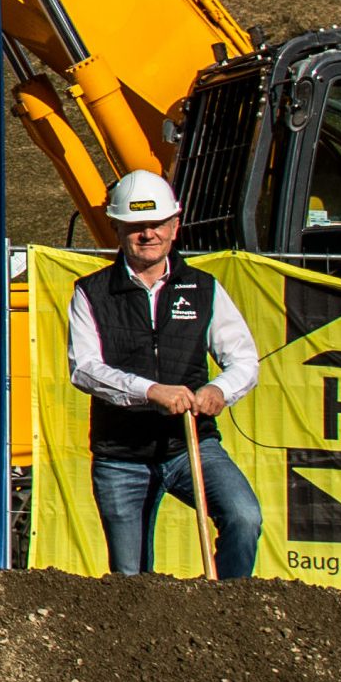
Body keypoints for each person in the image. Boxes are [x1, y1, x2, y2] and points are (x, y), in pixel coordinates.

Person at [68, 170, 263, 579]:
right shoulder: (91, 291)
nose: (148, 235)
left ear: (175, 226)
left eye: (157, 224)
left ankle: (234, 610)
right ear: (118, 228)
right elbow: (84, 369)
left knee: (244, 517)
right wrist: (149, 391)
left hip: (190, 445)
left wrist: (219, 389)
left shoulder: (203, 287)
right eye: (137, 226)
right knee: (130, 576)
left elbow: (244, 359)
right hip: (121, 457)